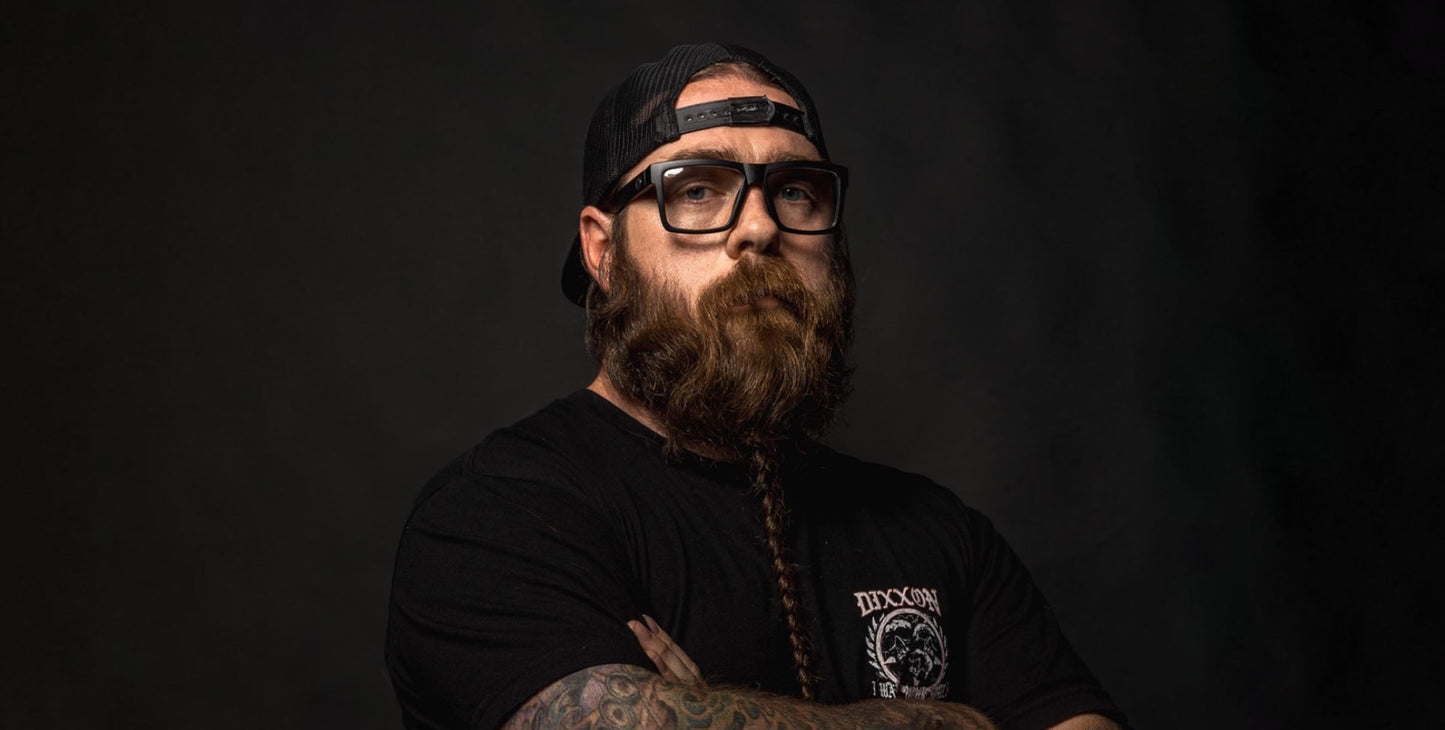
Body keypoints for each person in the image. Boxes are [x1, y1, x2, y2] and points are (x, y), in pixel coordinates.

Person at [385, 43, 1128, 730]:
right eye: (699, 190)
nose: (759, 228)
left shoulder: (939, 532)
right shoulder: (498, 513)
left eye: (796, 190)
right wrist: (945, 720)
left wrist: (703, 712)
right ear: (602, 250)